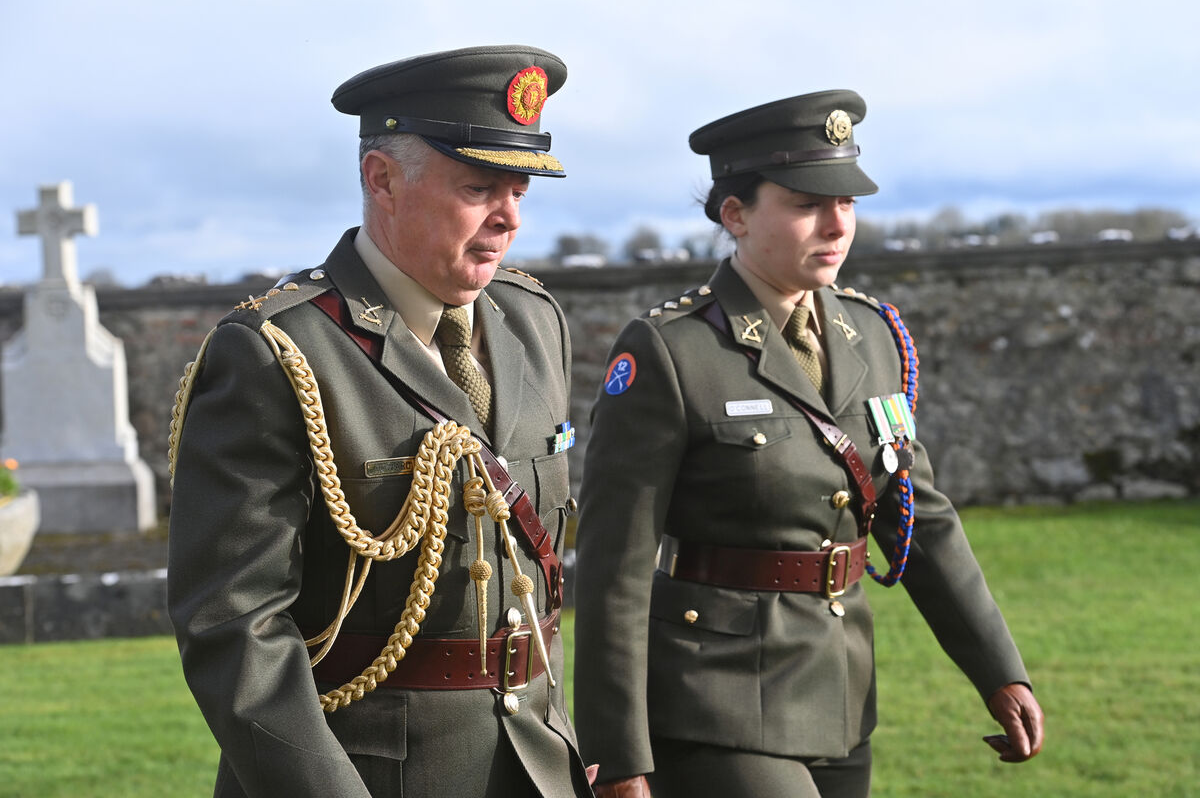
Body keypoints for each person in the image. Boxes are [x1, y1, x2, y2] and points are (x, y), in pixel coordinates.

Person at [572, 90, 1044, 798]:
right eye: (805, 204)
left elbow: (918, 517)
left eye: (847, 204)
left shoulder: (873, 337)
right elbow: (615, 567)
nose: (836, 225)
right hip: (713, 701)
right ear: (735, 215)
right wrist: (617, 752)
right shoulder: (672, 351)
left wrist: (999, 668)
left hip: (839, 698)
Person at [167, 45, 594, 798]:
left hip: (534, 765)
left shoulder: (535, 321)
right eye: (478, 187)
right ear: (382, 180)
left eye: (520, 191)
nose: (509, 218)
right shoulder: (280, 352)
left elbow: (540, 587)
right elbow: (235, 627)